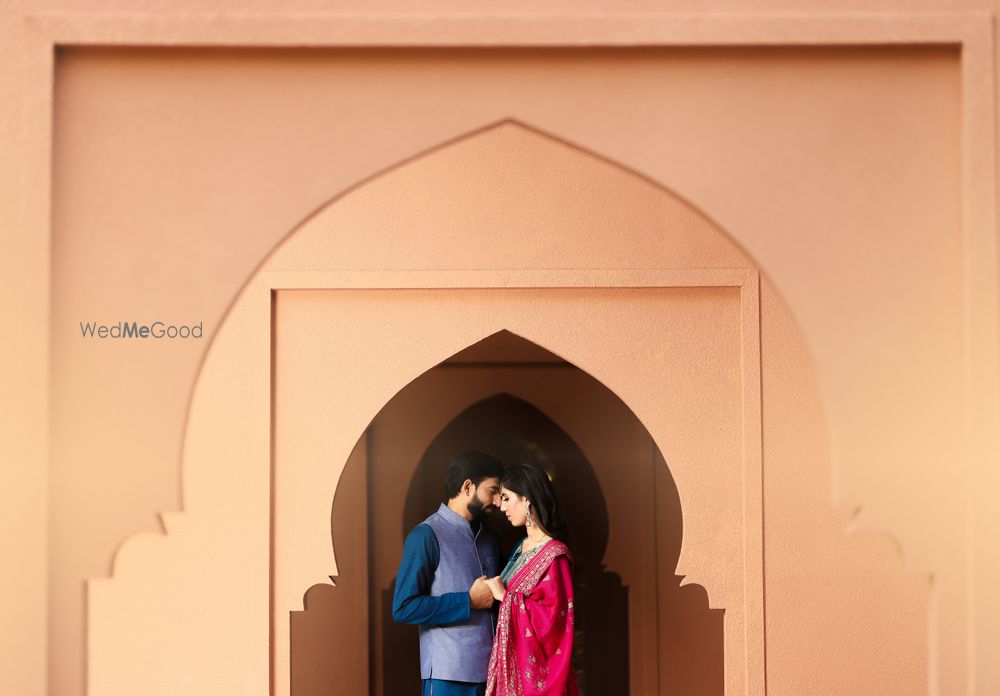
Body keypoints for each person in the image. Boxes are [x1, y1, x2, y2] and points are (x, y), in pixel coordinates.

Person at [393, 451, 505, 696]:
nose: (497, 501)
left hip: (494, 676)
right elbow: (403, 607)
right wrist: (468, 601)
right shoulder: (426, 535)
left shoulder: (489, 540)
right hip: (449, 677)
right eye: (492, 491)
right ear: (468, 487)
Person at [484, 463, 579, 696]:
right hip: (509, 675)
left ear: (527, 498)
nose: (502, 507)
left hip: (536, 682)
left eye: (507, 498)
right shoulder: (520, 549)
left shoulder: (555, 556)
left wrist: (504, 597)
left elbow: (552, 622)